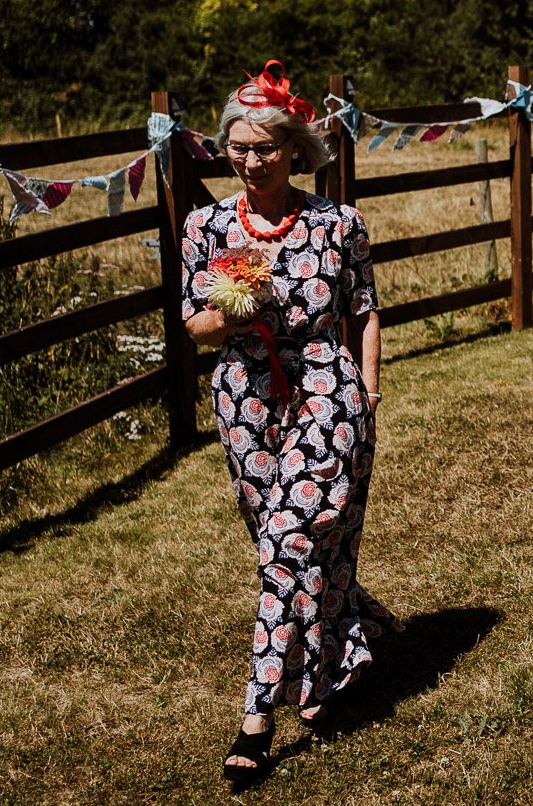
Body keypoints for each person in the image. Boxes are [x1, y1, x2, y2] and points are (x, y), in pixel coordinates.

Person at [181, 62, 398, 784]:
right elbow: (194, 326)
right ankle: (340, 660)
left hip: (325, 389)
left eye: (265, 148)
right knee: (298, 546)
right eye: (238, 148)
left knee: (286, 541)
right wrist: (229, 307)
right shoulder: (204, 226)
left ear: (294, 147)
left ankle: (256, 715)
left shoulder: (338, 222)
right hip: (242, 396)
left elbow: (364, 308)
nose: (250, 161)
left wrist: (366, 391)